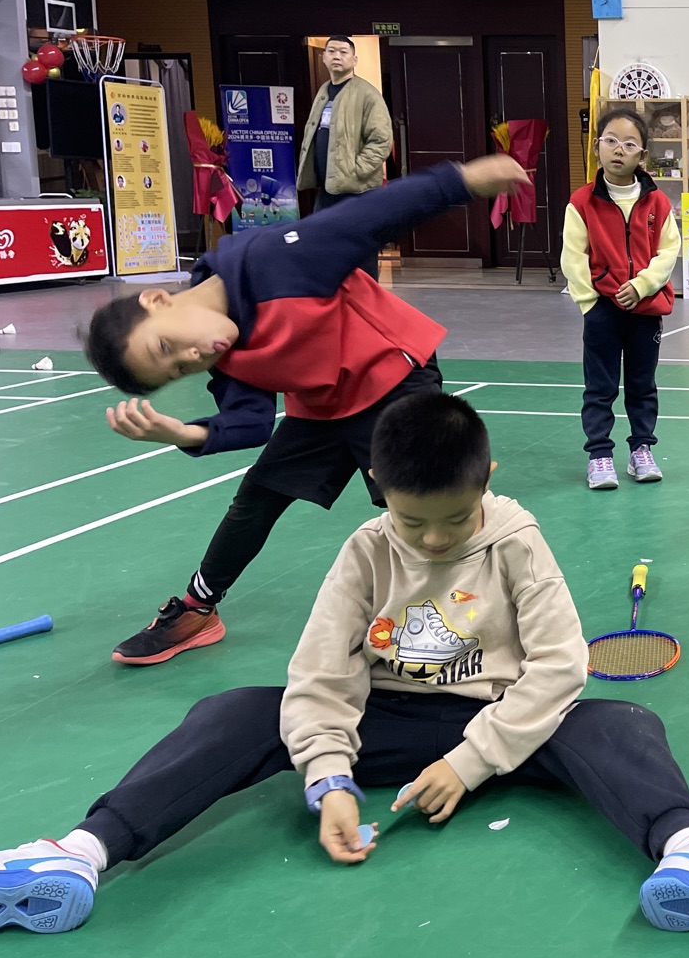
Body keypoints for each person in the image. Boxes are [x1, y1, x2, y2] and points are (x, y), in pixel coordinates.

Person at [0, 395, 689, 938]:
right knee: (234, 710)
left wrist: (470, 760)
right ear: (377, 485)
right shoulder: (364, 551)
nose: (431, 540)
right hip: (380, 722)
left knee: (622, 722)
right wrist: (328, 778)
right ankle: (77, 851)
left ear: (486, 480)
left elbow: (559, 667)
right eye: (410, 519)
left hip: (498, 724)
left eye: (454, 519)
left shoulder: (518, 541)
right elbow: (321, 676)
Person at [80, 154, 531, 666]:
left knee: (426, 500)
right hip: (323, 404)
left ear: (158, 300)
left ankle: (502, 610)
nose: (193, 356)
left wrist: (464, 180)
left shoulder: (280, 259)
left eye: (166, 346)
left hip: (392, 379)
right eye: (178, 369)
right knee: (258, 496)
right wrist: (183, 433)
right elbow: (249, 422)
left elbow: (376, 213)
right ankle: (197, 609)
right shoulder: (221, 350)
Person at [560, 107, 681, 490]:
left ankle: (641, 449)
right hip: (602, 313)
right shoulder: (581, 202)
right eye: (611, 141)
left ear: (642, 155)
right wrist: (590, 303)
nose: (618, 150)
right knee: (600, 388)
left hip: (645, 312)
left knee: (643, 386)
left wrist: (642, 286)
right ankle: (599, 455)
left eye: (629, 144)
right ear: (597, 146)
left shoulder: (657, 203)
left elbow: (668, 251)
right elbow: (573, 257)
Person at [297, 35, 394, 278]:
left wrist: (357, 170)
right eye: (331, 51)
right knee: (323, 247)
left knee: (361, 251)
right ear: (323, 58)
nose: (337, 56)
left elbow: (381, 140)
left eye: (343, 52)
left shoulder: (367, 94)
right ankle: (332, 295)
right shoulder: (324, 91)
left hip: (357, 190)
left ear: (354, 59)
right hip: (326, 189)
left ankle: (366, 298)